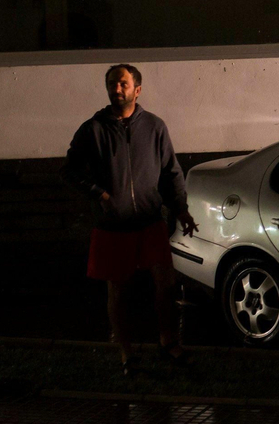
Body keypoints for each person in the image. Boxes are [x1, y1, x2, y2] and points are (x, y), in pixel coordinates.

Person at [64, 63, 197, 374]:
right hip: (113, 225)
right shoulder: (93, 129)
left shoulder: (154, 127)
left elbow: (171, 172)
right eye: (112, 83)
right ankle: (126, 352)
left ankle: (168, 342)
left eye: (123, 83)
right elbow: (69, 171)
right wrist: (99, 193)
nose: (116, 89)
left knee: (165, 284)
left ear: (137, 90)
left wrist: (181, 208)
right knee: (118, 291)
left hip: (150, 221)